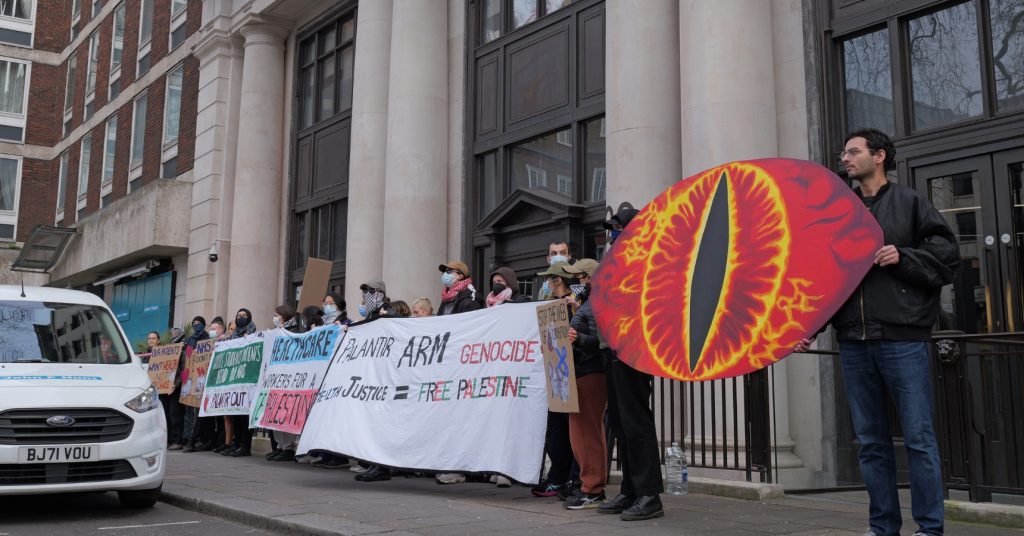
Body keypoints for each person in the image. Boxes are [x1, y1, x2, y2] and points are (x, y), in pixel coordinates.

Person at [795, 129, 959, 536]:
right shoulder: (840, 210)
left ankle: (929, 529)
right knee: (871, 443)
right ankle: (882, 527)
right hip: (853, 341)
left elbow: (947, 257)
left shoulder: (909, 203)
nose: (845, 158)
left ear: (879, 156)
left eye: (853, 152)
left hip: (903, 340)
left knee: (919, 439)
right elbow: (825, 276)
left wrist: (902, 256)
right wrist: (810, 327)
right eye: (844, 152)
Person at [597, 205, 665, 521]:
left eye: (619, 228)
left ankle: (649, 494)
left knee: (636, 421)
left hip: (635, 348)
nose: (613, 234)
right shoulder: (618, 261)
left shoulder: (647, 260)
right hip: (614, 349)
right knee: (622, 424)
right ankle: (630, 489)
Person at [531, 262, 580, 499]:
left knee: (567, 430)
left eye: (549, 280)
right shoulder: (554, 305)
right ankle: (559, 476)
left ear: (557, 281)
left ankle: (565, 477)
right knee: (555, 429)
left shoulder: (573, 304)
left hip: (573, 375)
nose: (547, 285)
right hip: (557, 374)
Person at [562, 258, 608, 510]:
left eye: (578, 277)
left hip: (590, 373)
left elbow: (601, 342)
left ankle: (593, 488)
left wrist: (577, 339)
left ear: (589, 279)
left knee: (587, 433)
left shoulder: (595, 305)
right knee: (579, 434)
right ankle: (588, 485)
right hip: (581, 373)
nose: (575, 282)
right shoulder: (586, 305)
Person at [267, 304, 303, 463]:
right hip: (276, 379)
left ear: (284, 316)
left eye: (277, 315)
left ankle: (288, 447)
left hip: (287, 380)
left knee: (283, 414)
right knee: (275, 414)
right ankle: (281, 446)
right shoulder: (276, 333)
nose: (274, 318)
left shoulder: (294, 332)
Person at [220, 309, 255, 457]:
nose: (241, 318)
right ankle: (237, 443)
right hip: (235, 381)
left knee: (245, 415)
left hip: (248, 381)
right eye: (239, 315)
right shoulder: (233, 336)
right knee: (236, 415)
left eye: (244, 316)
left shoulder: (253, 333)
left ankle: (245, 446)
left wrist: (249, 340)